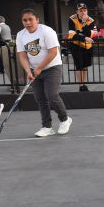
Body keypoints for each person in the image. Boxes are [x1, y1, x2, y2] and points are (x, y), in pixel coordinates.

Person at [16, 8, 70, 137]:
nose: (28, 23)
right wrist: (28, 71)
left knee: (52, 96)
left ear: (37, 20)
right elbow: (22, 55)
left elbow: (53, 52)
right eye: (25, 20)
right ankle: (47, 126)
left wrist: (39, 68)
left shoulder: (46, 31)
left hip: (52, 68)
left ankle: (65, 119)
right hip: (35, 71)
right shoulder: (20, 35)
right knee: (40, 99)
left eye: (30, 20)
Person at [65, 2, 95, 91]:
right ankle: (81, 85)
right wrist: (85, 38)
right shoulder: (72, 19)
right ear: (77, 11)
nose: (83, 13)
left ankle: (84, 83)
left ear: (87, 11)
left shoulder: (91, 20)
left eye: (85, 10)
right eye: (81, 11)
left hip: (87, 46)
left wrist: (84, 22)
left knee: (85, 66)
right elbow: (72, 35)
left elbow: (89, 34)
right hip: (75, 45)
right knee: (79, 65)